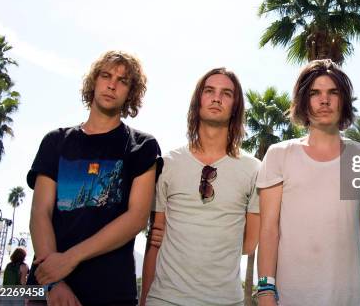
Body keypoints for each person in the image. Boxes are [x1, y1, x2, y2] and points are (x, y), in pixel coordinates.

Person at [27, 50, 161, 306]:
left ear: (131, 92)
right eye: (106, 75)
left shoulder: (142, 146)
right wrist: (54, 281)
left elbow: (136, 219)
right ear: (94, 81)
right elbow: (39, 212)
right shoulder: (55, 141)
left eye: (123, 81)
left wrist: (70, 258)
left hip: (111, 291)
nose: (112, 84)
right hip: (49, 289)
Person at [256, 59, 360, 306]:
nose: (324, 101)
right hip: (291, 297)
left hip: (348, 298)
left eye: (333, 93)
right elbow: (269, 229)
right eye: (315, 93)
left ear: (343, 101)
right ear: (303, 100)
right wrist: (266, 292)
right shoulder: (280, 154)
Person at [141, 68, 260, 306]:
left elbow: (248, 244)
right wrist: (144, 300)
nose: (217, 98)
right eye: (209, 91)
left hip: (225, 300)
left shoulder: (254, 169)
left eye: (226, 93)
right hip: (164, 299)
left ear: (236, 106)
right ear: (198, 101)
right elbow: (155, 241)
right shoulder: (168, 163)